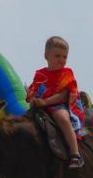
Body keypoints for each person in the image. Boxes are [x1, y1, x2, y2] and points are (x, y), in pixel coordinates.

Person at [26, 36, 86, 168]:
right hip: (41, 105)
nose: (62, 60)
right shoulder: (40, 73)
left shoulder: (66, 73)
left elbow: (64, 95)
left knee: (63, 119)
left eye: (65, 57)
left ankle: (75, 154)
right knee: (21, 121)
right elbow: (34, 88)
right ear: (46, 56)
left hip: (58, 105)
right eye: (57, 56)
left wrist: (45, 102)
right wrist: (33, 98)